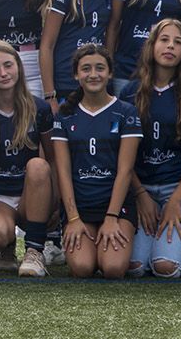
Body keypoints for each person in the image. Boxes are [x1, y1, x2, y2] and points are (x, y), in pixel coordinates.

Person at [121, 20, 181, 279]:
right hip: (143, 190)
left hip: (178, 188)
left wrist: (175, 201)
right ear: (152, 46)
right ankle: (168, 234)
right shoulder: (130, 92)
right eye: (164, 39)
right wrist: (140, 195)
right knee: (135, 267)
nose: (170, 46)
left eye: (178, 42)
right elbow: (123, 155)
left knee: (164, 268)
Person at [51, 43, 141, 279]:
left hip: (116, 208)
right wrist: (72, 218)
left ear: (110, 73)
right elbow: (63, 171)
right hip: (80, 208)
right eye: (86, 69)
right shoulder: (65, 114)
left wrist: (112, 218)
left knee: (112, 268)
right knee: (82, 268)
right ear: (76, 74)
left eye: (100, 68)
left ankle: (124, 234)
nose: (93, 75)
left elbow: (126, 170)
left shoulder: (126, 112)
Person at [0, 41, 55, 278]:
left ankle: (34, 251)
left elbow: (54, 163)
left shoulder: (40, 109)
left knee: (37, 165)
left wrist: (58, 204)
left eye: (8, 65)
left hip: (31, 193)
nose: (3, 73)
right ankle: (3, 249)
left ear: (19, 66)